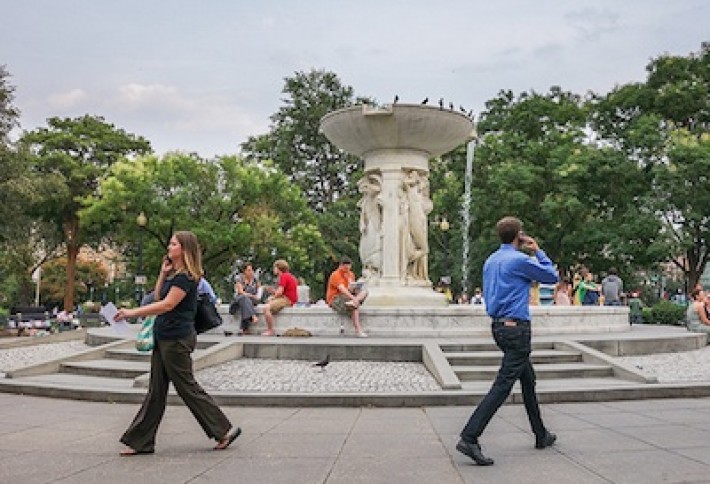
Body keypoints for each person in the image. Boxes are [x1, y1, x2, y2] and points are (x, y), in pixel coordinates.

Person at [114, 231, 240, 456]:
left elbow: (167, 305)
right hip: (165, 337)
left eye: (173, 244)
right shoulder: (176, 275)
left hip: (177, 339)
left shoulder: (187, 277)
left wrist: (131, 312)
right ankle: (141, 441)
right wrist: (163, 274)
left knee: (187, 387)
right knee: (157, 390)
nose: (168, 248)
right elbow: (158, 296)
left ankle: (223, 430)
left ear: (184, 249)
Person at [457, 217, 558, 466]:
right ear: (519, 236)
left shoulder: (491, 260)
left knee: (528, 379)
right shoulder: (519, 260)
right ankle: (470, 437)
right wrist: (537, 251)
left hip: (499, 328)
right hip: (517, 330)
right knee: (503, 386)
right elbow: (551, 277)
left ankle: (540, 434)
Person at [327, 256, 369, 337]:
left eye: (348, 267)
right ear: (341, 266)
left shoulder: (351, 274)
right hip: (336, 298)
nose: (347, 270)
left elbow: (350, 290)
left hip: (349, 297)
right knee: (355, 307)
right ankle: (358, 330)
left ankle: (353, 302)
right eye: (345, 268)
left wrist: (356, 288)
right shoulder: (336, 275)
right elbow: (342, 289)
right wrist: (354, 298)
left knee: (364, 292)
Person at [260, 259, 298, 336]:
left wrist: (273, 297)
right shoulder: (288, 276)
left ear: (279, 268)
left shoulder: (283, 276)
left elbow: (280, 292)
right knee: (269, 303)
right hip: (287, 298)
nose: (274, 269)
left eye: (275, 267)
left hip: (287, 299)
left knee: (266, 308)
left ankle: (270, 330)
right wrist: (272, 292)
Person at [228, 263, 262, 335]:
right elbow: (241, 292)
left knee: (246, 301)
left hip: (250, 301)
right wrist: (252, 296)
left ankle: (244, 329)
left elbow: (260, 289)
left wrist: (258, 296)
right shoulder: (239, 278)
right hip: (239, 299)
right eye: (249, 270)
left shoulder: (255, 279)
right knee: (244, 298)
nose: (251, 272)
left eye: (252, 270)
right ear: (244, 271)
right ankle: (252, 316)